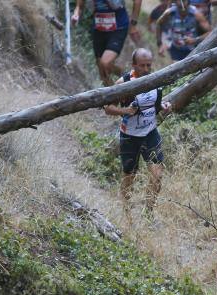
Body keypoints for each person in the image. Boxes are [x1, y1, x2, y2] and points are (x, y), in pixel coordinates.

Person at [104, 48, 172, 218]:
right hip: (130, 136)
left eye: (149, 65)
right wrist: (126, 111)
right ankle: (126, 214)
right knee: (129, 176)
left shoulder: (155, 80)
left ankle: (148, 214)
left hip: (150, 133)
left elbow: (155, 103)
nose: (146, 69)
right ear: (134, 65)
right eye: (142, 65)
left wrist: (164, 106)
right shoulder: (124, 82)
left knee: (157, 175)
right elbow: (108, 108)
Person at [71, 0, 143, 86]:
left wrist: (133, 25)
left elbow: (138, 1)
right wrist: (76, 14)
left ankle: (127, 78)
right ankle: (114, 96)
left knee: (105, 63)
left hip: (118, 27)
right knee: (101, 69)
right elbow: (79, 5)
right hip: (99, 29)